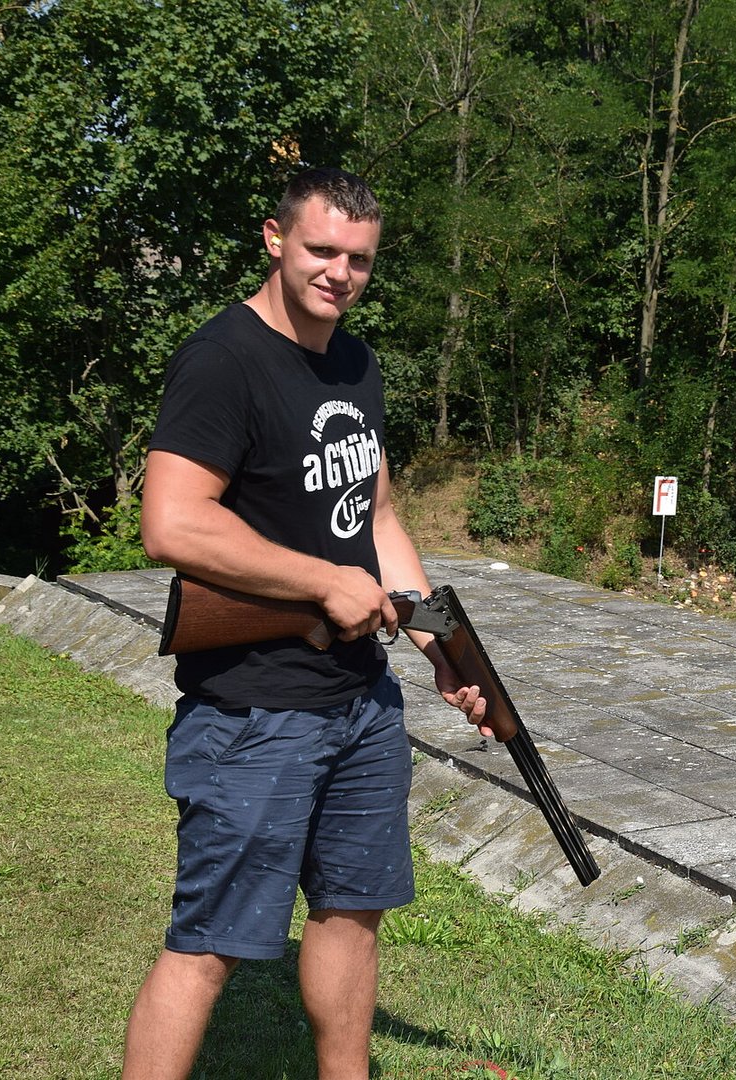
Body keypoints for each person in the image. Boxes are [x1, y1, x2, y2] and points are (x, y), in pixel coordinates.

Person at [123, 166, 488, 1080]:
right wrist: (324, 583)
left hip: (360, 702)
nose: (339, 273)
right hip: (253, 712)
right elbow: (172, 523)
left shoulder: (355, 365)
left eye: (358, 259)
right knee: (209, 944)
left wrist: (438, 644)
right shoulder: (224, 360)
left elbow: (378, 518)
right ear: (275, 238)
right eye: (321, 250)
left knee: (352, 915)